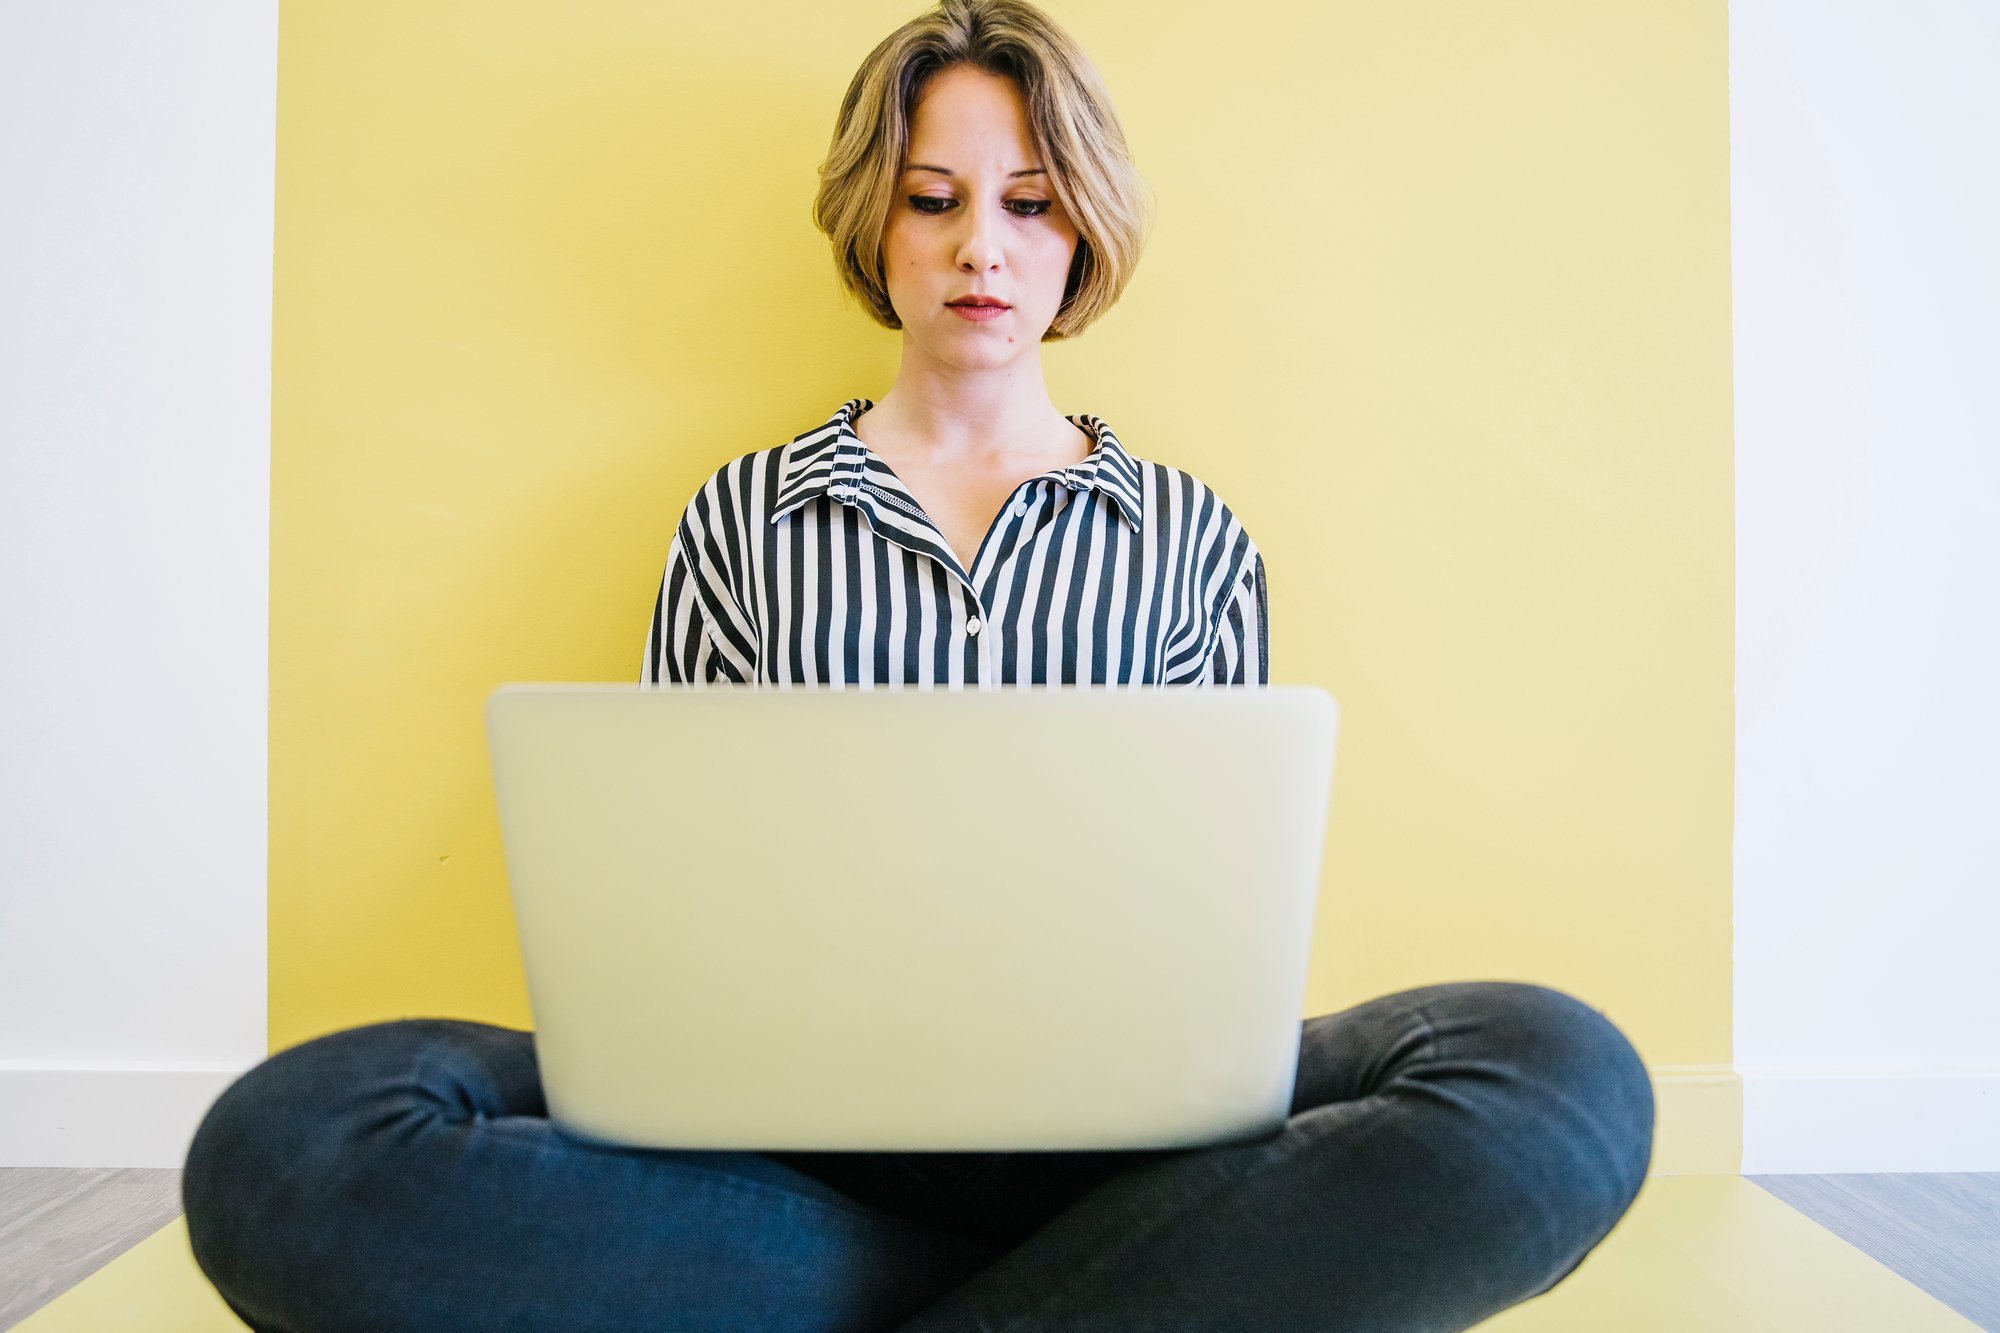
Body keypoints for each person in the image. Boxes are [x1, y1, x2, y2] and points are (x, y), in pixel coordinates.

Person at [181, 1, 1654, 1329]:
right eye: (932, 202)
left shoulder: (1193, 533)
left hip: (1129, 1140)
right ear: (872, 229)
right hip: (794, 1129)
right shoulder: (742, 516)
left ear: (1082, 228)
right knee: (289, 1145)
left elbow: (1224, 902)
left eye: (1027, 203)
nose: (979, 248)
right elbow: (669, 889)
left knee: (1561, 1078)